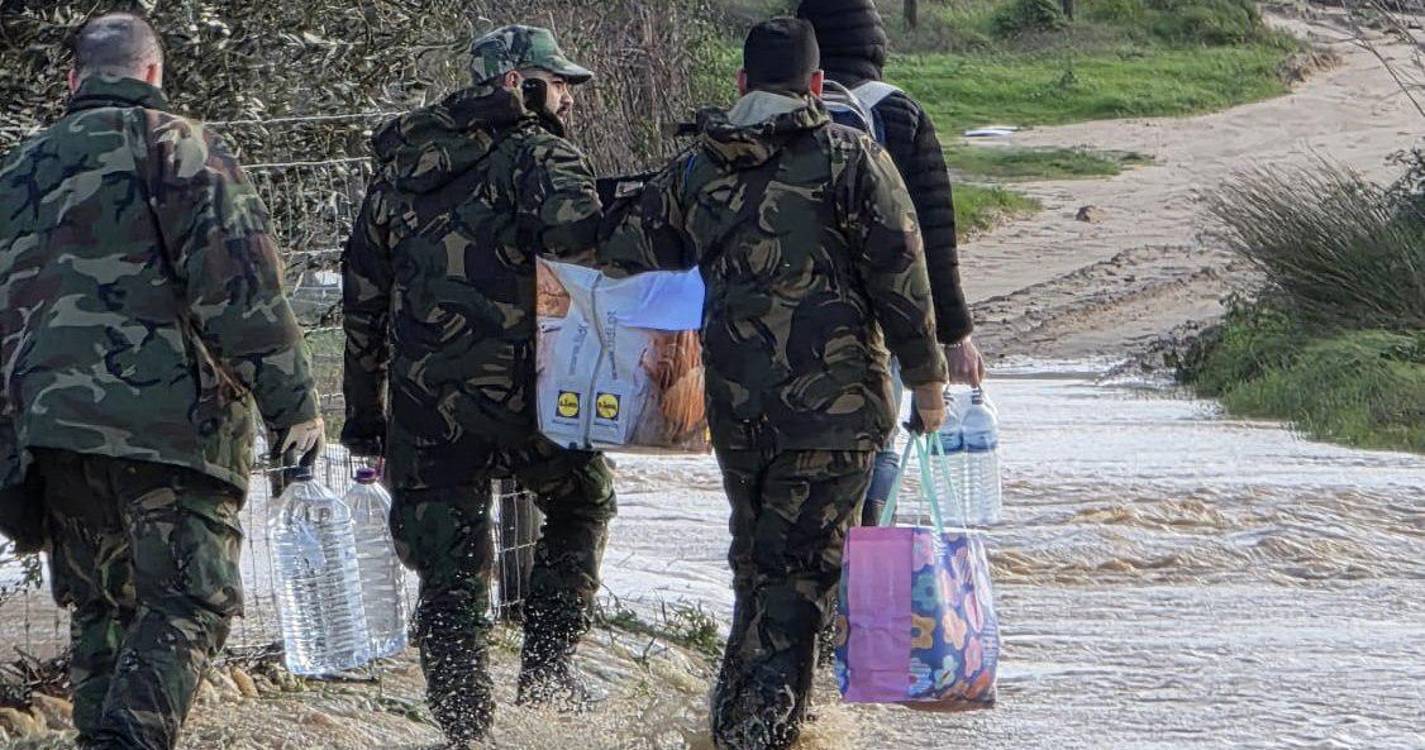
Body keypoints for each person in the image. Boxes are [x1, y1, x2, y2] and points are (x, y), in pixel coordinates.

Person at [600, 17, 949, 750]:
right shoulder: (851, 158)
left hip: (737, 409)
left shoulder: (698, 167)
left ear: (740, 84)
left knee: (757, 568)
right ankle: (763, 734)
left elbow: (630, 247)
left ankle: (736, 725)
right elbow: (901, 275)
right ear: (817, 85)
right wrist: (927, 381)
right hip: (836, 410)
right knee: (801, 578)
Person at [0, 13, 323, 750]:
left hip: (50, 428)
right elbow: (239, 290)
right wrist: (293, 406)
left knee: (102, 607)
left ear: (73, 79)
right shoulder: (180, 146)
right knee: (190, 598)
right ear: (153, 72)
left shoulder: (17, 170)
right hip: (169, 425)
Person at [340, 24, 617, 747]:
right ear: (517, 83)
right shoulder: (542, 155)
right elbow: (586, 253)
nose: (567, 97)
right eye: (558, 83)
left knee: (449, 564)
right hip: (532, 398)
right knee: (583, 503)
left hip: (427, 402)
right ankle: (548, 669)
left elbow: (363, 299)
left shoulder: (400, 165)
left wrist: (365, 412)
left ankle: (463, 724)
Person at [797, 0, 987, 525]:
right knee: (877, 446)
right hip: (876, 324)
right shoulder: (897, 112)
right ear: (875, 45)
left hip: (782, 318)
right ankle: (869, 546)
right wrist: (955, 335)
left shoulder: (777, 112)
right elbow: (933, 235)